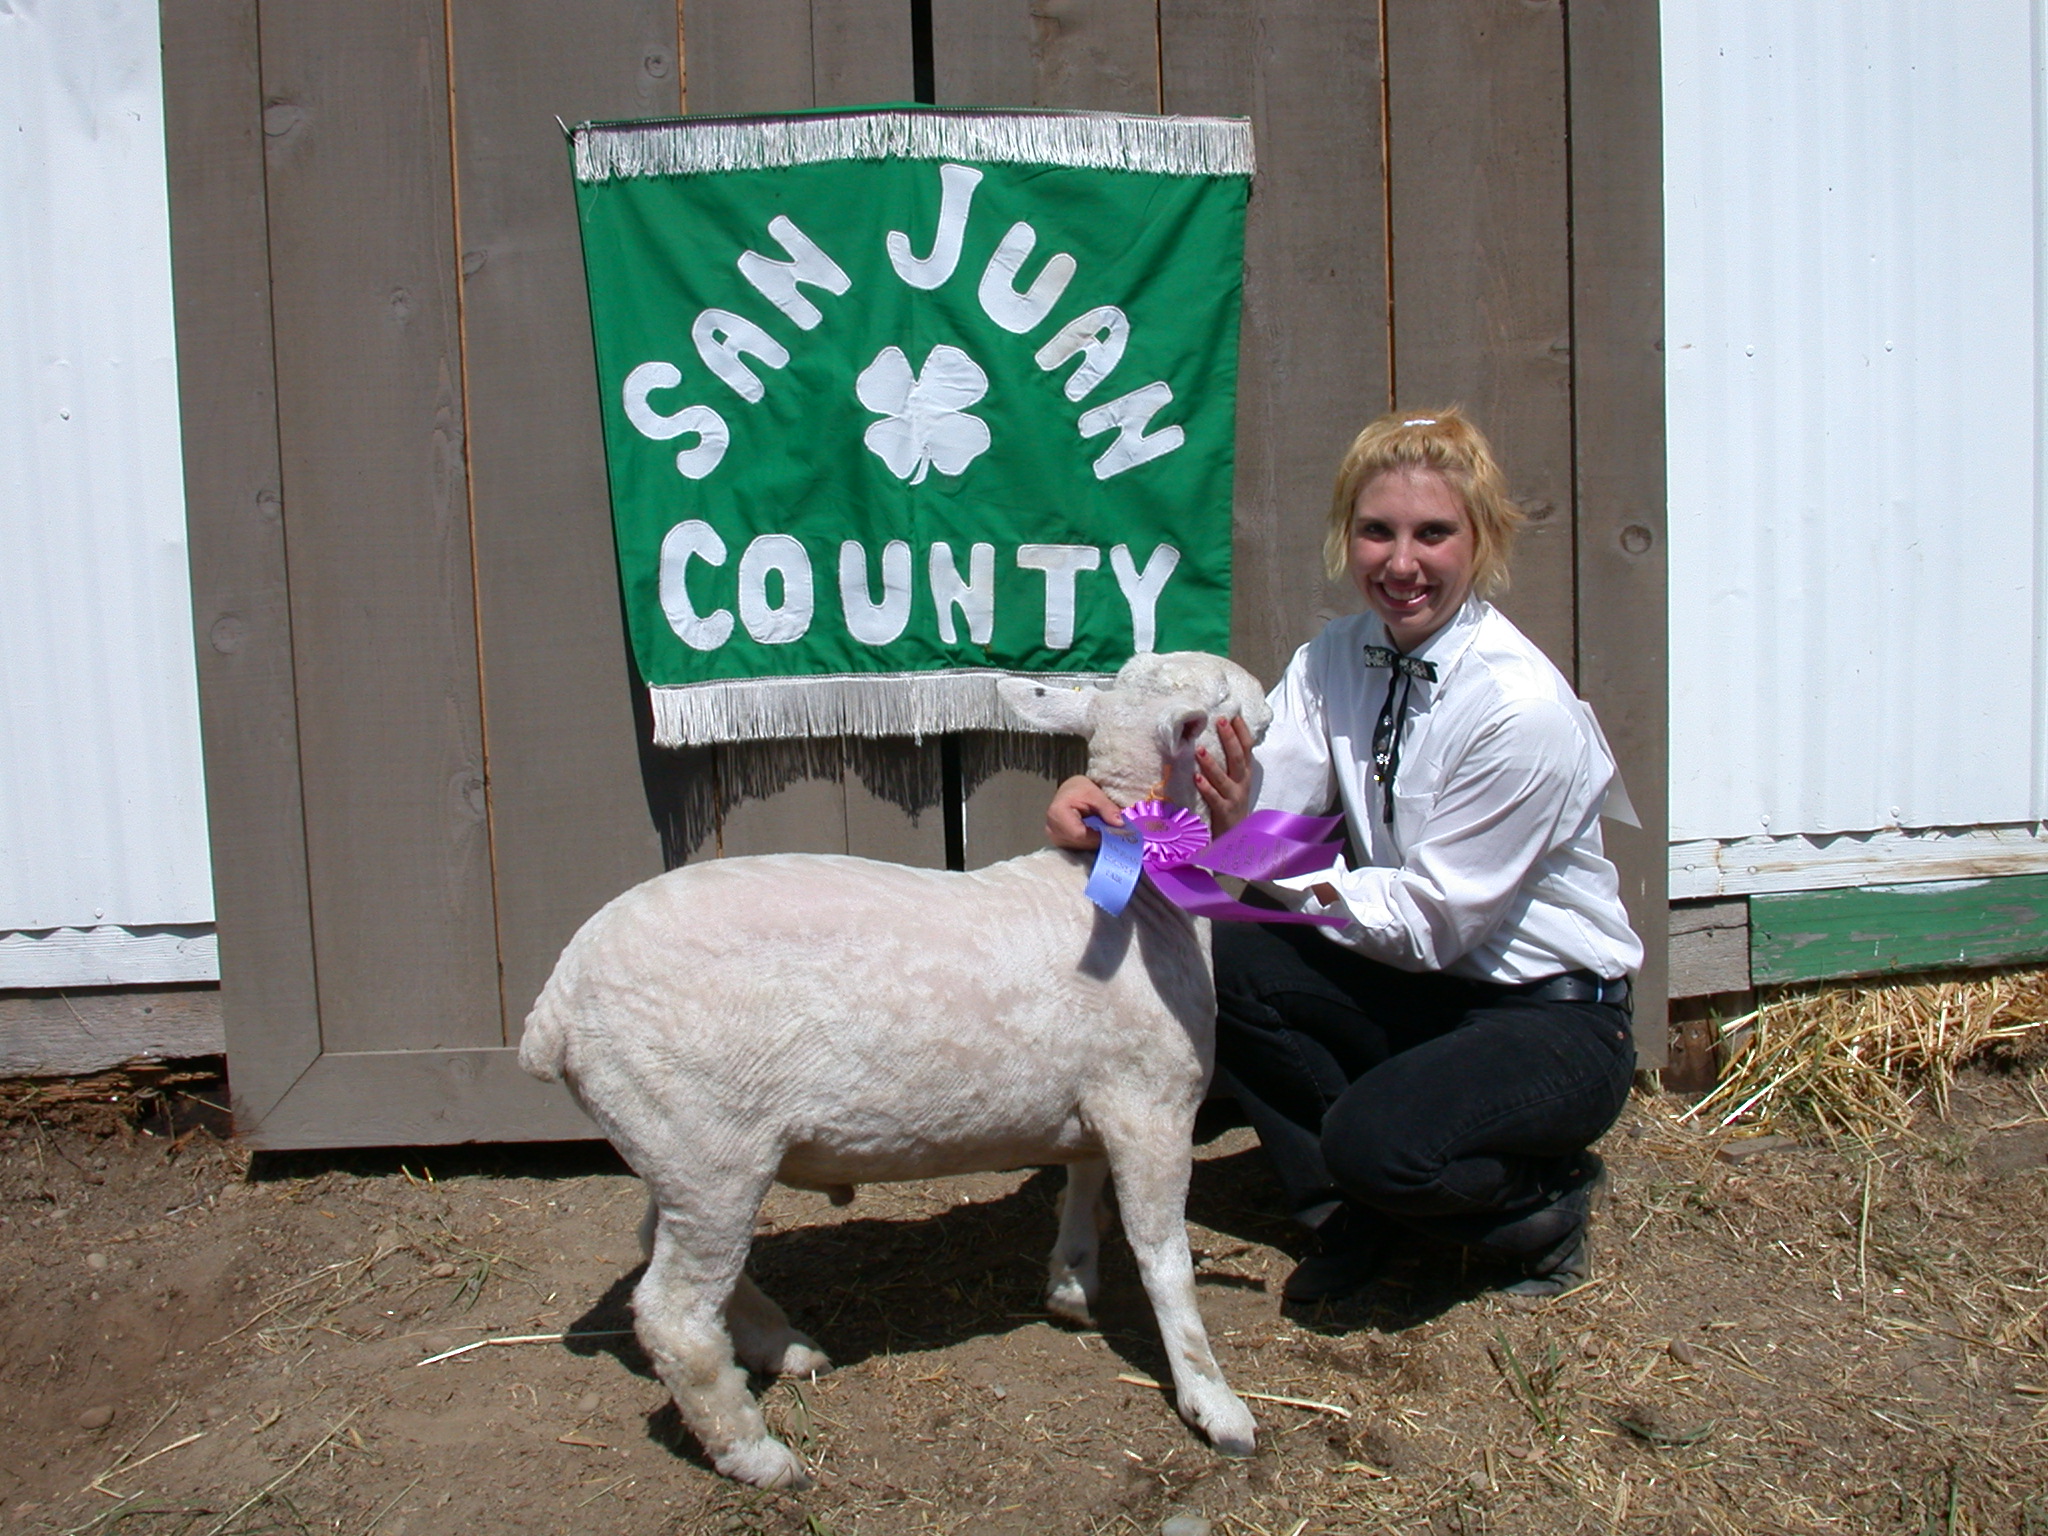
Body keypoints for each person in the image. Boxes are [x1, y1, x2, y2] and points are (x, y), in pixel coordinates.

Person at [1046, 408, 1642, 1302]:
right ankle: (1344, 1216)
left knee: (1384, 1146)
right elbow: (1246, 816)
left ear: (1479, 540)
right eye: (1377, 531)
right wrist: (1115, 834)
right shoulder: (1338, 657)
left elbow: (1431, 925)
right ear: (1347, 537)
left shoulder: (1521, 710)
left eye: (1433, 533)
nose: (1401, 563)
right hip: (1424, 989)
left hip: (1550, 1013)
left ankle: (1537, 1210)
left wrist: (1258, 852)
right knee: (1225, 961)